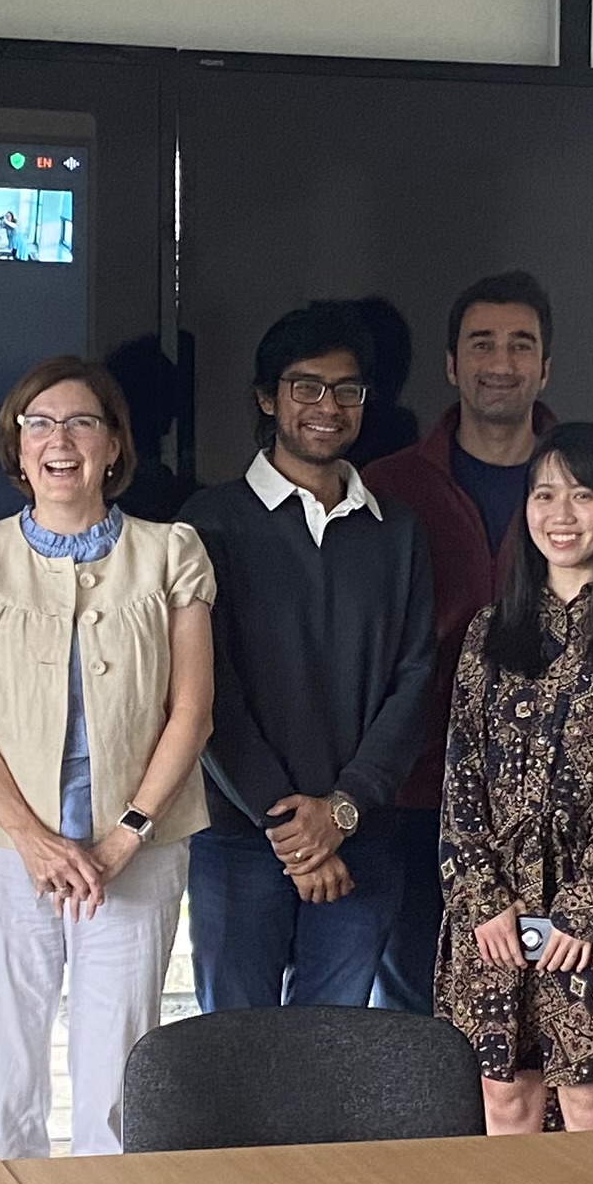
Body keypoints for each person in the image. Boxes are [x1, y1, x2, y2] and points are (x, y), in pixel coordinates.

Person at [0, 355, 217, 1157]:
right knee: (2, 1085)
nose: (60, 440)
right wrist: (30, 839)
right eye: (40, 424)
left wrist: (125, 836)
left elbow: (192, 713)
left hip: (137, 852)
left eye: (82, 422)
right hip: (1, 851)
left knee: (117, 1091)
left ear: (114, 444)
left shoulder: (171, 551)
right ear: (17, 446)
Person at [178, 306, 438, 1010]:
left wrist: (343, 809)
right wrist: (291, 829)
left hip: (364, 834)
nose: (328, 407)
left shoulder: (396, 530)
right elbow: (208, 690)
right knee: (236, 1047)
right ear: (268, 398)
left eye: (347, 390)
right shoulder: (208, 523)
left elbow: (415, 677)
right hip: (240, 840)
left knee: (334, 1050)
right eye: (307, 387)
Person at [436, 423, 593, 1132]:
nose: (561, 514)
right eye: (544, 494)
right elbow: (462, 774)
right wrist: (481, 898)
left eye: (582, 495)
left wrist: (585, 907)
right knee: (503, 1093)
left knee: (589, 1096)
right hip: (494, 906)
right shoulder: (490, 630)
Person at [364, 271, 558, 1014]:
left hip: (547, 806)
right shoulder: (388, 487)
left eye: (521, 345)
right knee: (414, 1011)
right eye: (482, 343)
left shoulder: (586, 484)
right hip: (415, 792)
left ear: (546, 366)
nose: (501, 362)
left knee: (534, 1019)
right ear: (451, 364)